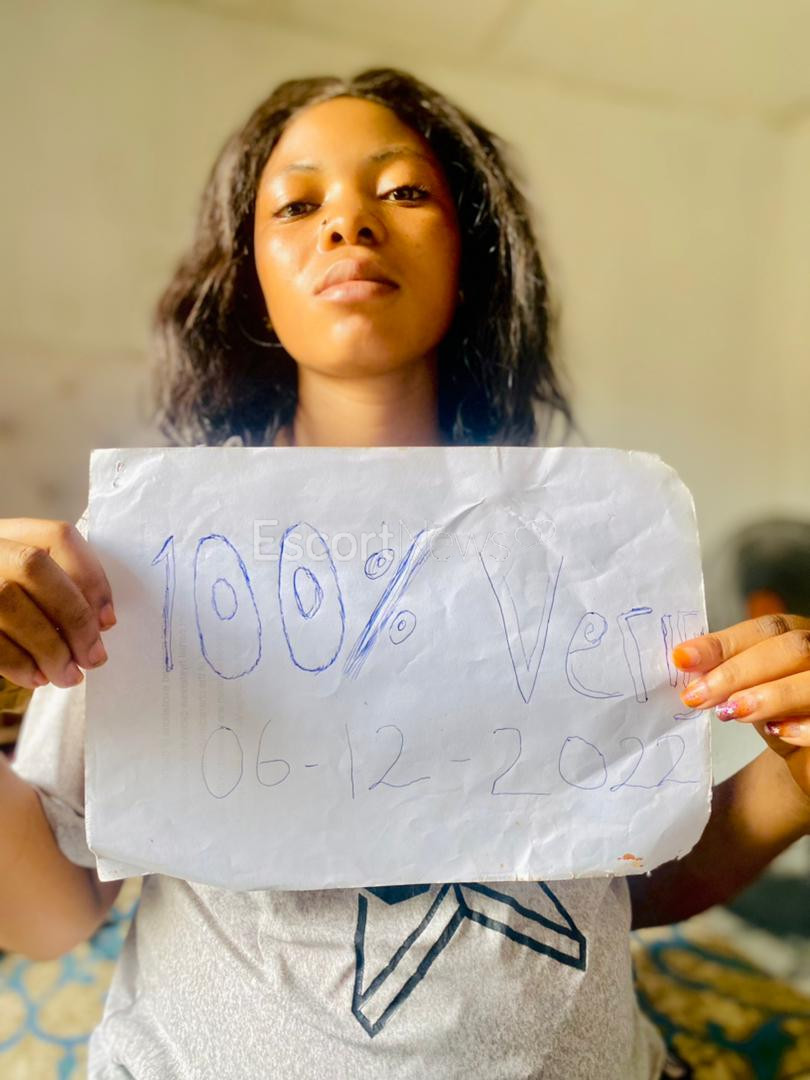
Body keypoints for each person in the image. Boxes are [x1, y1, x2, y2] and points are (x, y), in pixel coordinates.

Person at [1, 67, 808, 1080]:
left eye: (405, 190)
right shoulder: (150, 554)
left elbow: (625, 882)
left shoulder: (596, 541)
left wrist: (794, 778)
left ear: (470, 256)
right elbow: (50, 919)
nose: (350, 223)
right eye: (297, 205)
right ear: (250, 278)